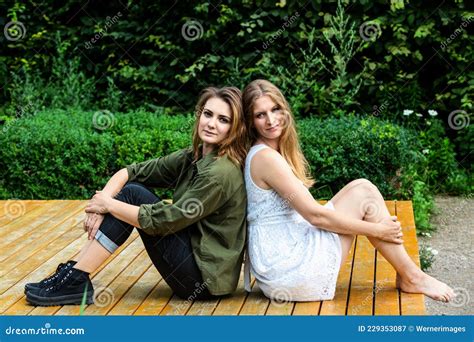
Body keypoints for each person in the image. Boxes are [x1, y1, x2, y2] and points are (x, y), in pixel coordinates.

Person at [25, 86, 248, 306]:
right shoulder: (195, 156)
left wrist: (108, 205)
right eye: (208, 114)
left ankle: (75, 277)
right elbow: (131, 172)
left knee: (131, 194)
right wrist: (100, 204)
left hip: (202, 279)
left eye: (223, 119)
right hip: (192, 257)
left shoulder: (220, 172)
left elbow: (169, 219)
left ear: (235, 128)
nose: (211, 123)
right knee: (130, 190)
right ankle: (74, 272)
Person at [242, 79, 455, 303]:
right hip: (288, 270)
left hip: (283, 261)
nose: (271, 120)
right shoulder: (266, 157)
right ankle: (413, 277)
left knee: (362, 188)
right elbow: (316, 216)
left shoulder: (273, 152)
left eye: (275, 109)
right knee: (363, 194)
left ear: (284, 109)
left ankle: (410, 276)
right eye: (260, 115)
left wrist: (376, 228)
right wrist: (377, 230)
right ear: (251, 122)